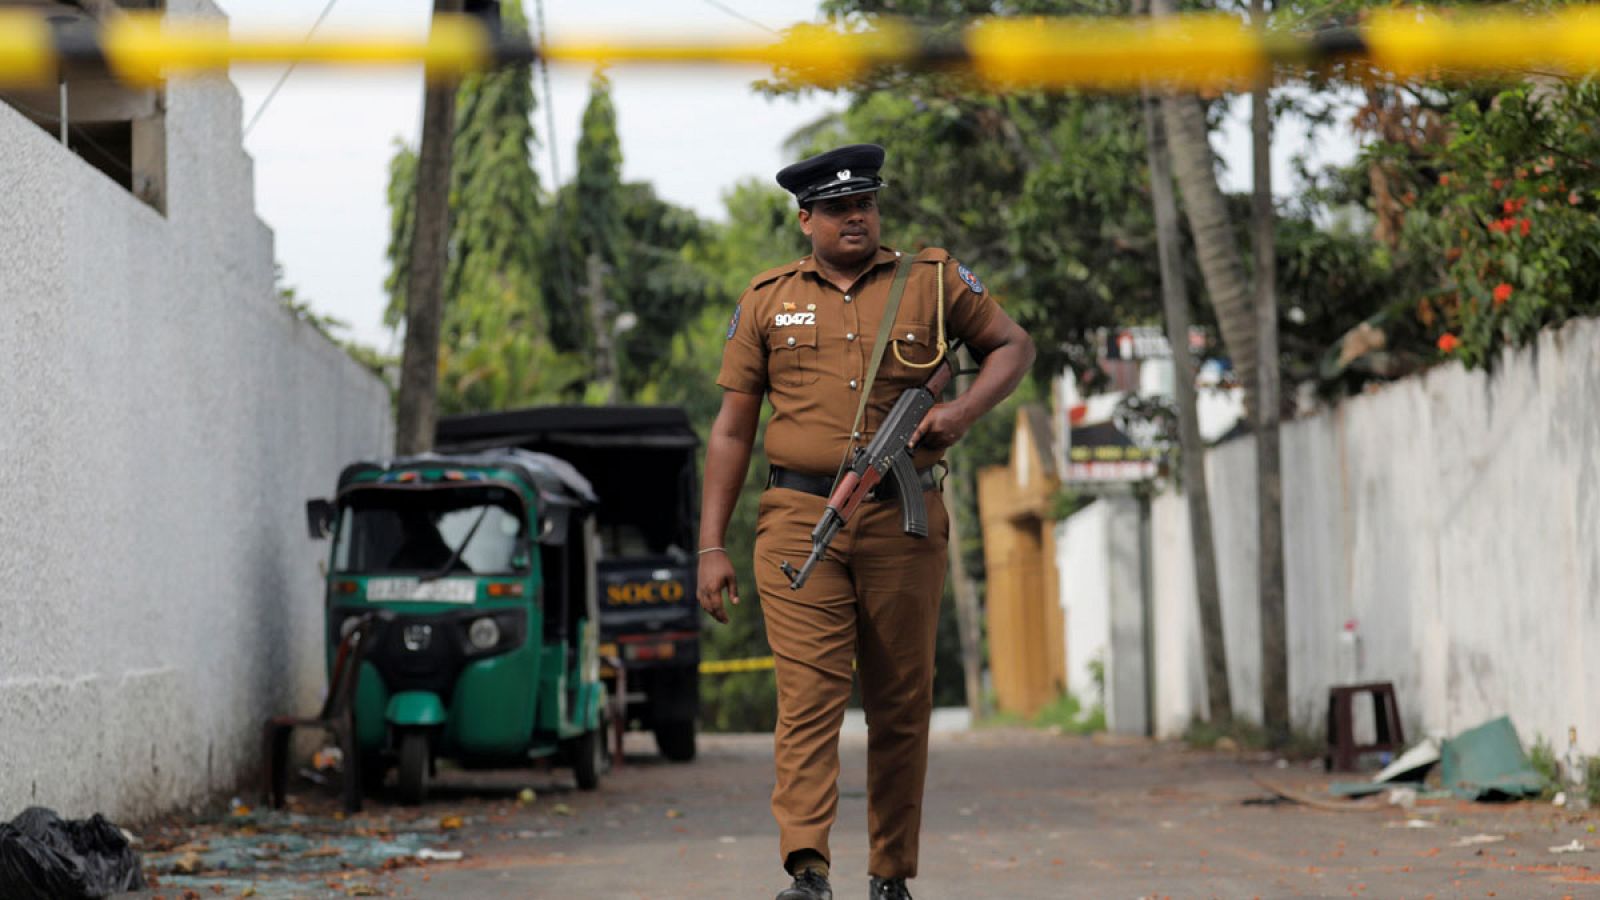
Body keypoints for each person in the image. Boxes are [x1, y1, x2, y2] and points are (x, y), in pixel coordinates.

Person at [696, 143, 1034, 900]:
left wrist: (960, 410)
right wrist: (710, 544)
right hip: (795, 517)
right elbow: (730, 430)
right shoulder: (765, 299)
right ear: (805, 218)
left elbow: (1013, 346)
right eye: (840, 207)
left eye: (867, 204)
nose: (857, 216)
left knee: (900, 701)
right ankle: (807, 869)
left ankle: (889, 873)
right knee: (809, 698)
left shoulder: (933, 280)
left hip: (903, 519)